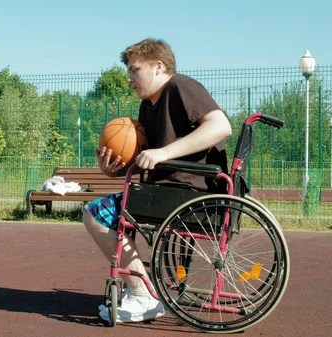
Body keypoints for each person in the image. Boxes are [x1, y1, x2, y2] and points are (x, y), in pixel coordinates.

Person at [83, 38, 232, 323]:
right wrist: (112, 170)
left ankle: (142, 294)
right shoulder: (147, 107)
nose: (129, 79)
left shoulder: (180, 86)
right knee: (109, 213)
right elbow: (149, 159)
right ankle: (138, 288)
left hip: (189, 193)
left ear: (158, 67)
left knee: (95, 214)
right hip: (169, 190)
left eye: (134, 70)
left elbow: (221, 126)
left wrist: (164, 152)